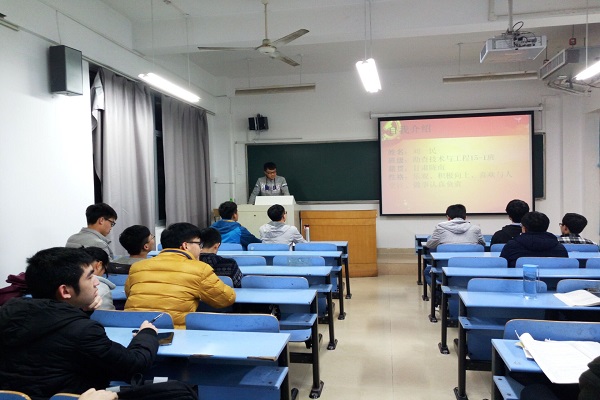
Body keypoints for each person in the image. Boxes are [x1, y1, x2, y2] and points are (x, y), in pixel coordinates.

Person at [0, 247, 159, 399]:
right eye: (89, 277)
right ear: (65, 291)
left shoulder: (8, 313)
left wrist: (81, 313)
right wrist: (147, 333)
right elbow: (133, 365)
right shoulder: (84, 331)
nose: (96, 282)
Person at [125, 222, 236, 328]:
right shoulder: (199, 269)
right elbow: (226, 299)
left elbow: (129, 293)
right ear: (185, 246)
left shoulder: (137, 267)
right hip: (173, 333)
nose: (200, 248)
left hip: (131, 329)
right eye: (199, 244)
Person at [500, 211, 568, 268]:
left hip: (518, 280)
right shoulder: (559, 248)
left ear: (524, 228)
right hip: (552, 280)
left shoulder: (511, 246)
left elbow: (502, 267)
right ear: (546, 227)